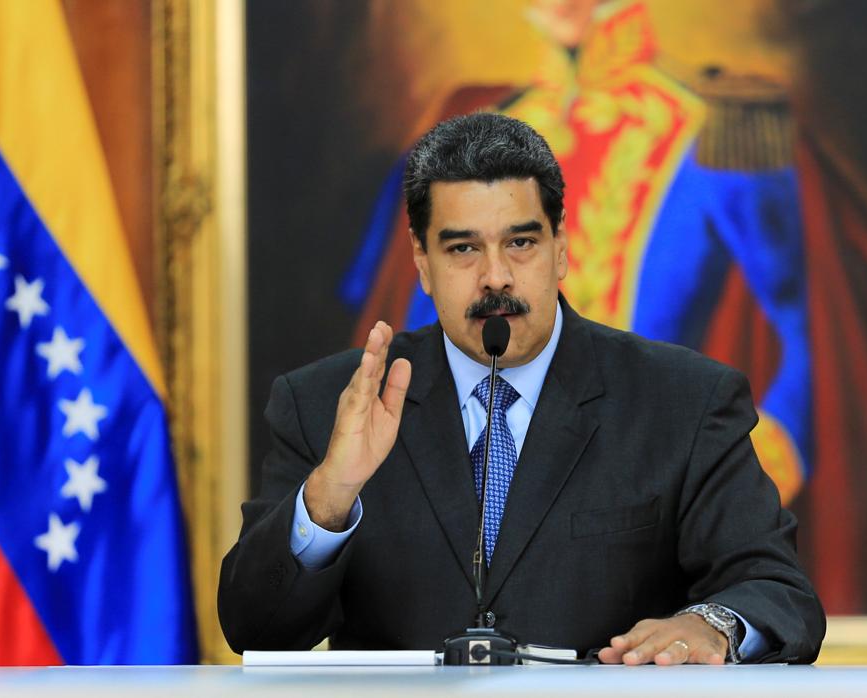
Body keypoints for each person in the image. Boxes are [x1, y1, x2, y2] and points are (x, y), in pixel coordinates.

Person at [219, 113, 825, 664]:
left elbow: (779, 592)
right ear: (422, 264)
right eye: (462, 249)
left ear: (561, 250)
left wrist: (712, 624)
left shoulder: (685, 401)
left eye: (521, 242)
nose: (496, 277)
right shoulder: (329, 403)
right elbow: (254, 628)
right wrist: (331, 494)